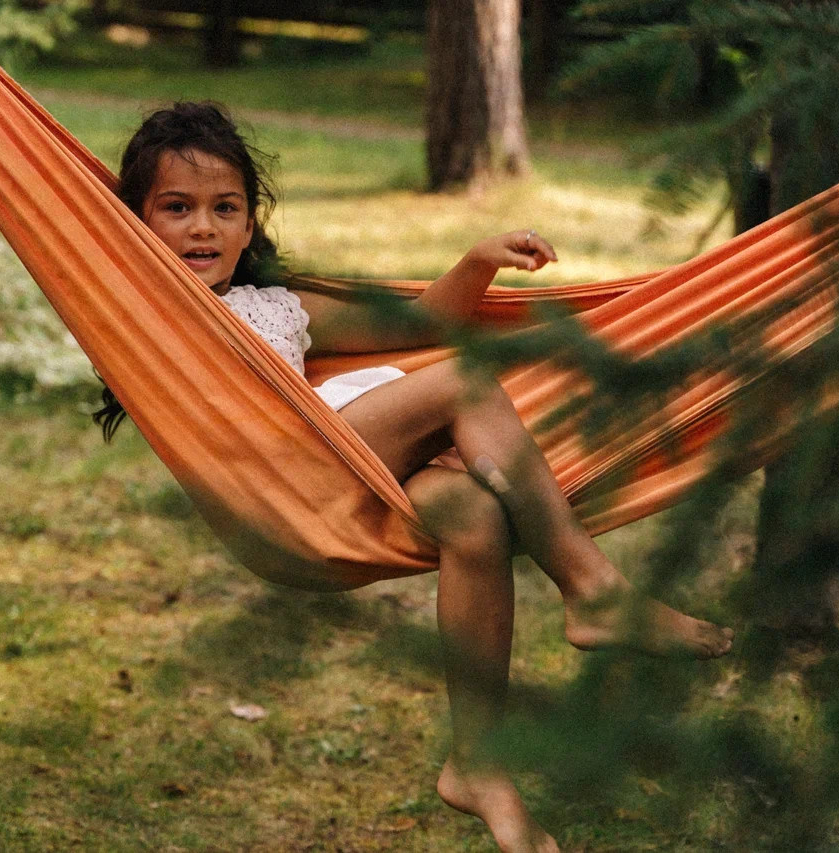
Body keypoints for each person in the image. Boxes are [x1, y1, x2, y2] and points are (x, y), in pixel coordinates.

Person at [93, 102, 733, 853]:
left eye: (222, 208)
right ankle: (593, 588)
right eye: (176, 208)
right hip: (287, 485)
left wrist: (477, 261)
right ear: (135, 224)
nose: (202, 227)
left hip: (357, 463)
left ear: (247, 225)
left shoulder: (278, 305)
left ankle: (479, 764)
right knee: (464, 381)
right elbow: (55, 229)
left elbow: (418, 327)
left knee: (470, 510)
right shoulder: (130, 310)